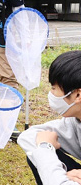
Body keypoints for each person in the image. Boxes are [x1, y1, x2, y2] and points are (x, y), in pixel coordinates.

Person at [18, 50, 81, 185]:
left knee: (42, 153)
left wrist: (45, 148)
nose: (51, 94)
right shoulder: (75, 120)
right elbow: (28, 137)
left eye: (54, 88)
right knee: (37, 152)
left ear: (77, 95)